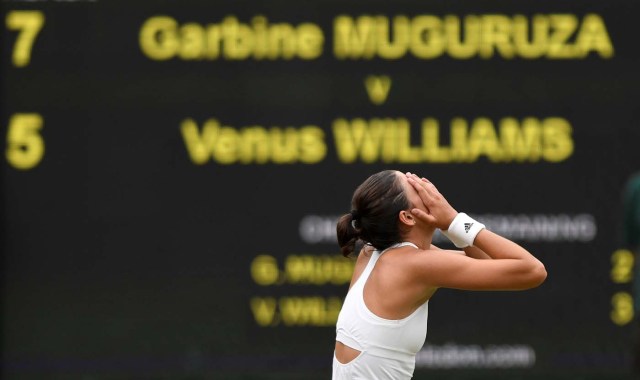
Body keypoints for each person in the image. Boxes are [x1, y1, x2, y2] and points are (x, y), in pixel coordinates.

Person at [332, 170, 547, 379]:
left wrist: (453, 227)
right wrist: (453, 220)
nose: (426, 185)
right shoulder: (415, 265)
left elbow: (489, 265)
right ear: (407, 216)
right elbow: (532, 271)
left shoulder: (373, 254)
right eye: (414, 185)